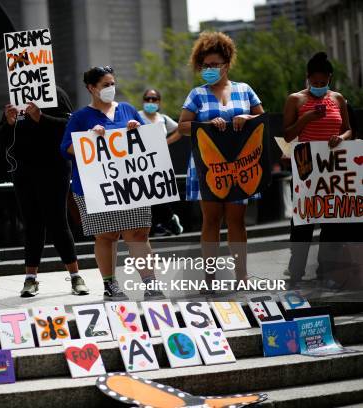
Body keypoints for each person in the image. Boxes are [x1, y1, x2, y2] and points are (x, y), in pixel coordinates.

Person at [61, 66, 162, 301]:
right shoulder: (80, 117)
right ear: (91, 88)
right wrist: (88, 137)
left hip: (130, 185)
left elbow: (149, 141)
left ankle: (151, 284)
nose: (110, 89)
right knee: (107, 236)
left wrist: (137, 130)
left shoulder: (127, 110)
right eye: (105, 85)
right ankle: (110, 286)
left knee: (138, 235)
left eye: (112, 83)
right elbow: (65, 149)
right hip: (97, 188)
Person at [178, 32, 264, 284]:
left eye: (215, 64)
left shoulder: (245, 90)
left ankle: (242, 275)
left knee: (237, 220)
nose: (210, 69)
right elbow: (182, 126)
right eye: (205, 66)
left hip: (241, 164)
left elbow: (262, 119)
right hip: (208, 166)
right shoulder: (197, 94)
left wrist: (246, 118)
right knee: (211, 220)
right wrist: (203, 124)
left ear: (226, 63)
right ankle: (209, 278)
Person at [0, 87, 88, 297]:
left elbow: (68, 127)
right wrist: (8, 124)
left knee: (58, 221)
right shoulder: (15, 97)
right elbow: (1, 138)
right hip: (23, 171)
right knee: (31, 223)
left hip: (54, 168)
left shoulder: (55, 94)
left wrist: (41, 117)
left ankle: (75, 276)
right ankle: (30, 278)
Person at [283, 52, 352, 288]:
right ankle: (296, 273)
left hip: (332, 168)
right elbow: (288, 134)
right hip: (305, 166)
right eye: (315, 83)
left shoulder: (338, 99)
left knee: (332, 223)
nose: (319, 87)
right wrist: (308, 118)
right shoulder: (296, 100)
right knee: (303, 222)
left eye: (324, 83)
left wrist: (340, 137)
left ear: (330, 79)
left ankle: (326, 271)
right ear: (307, 78)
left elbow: (349, 130)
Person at [138, 88, 184, 236]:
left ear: (159, 101)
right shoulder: (137, 116)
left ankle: (165, 220)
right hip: (141, 162)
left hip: (159, 161)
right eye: (147, 99)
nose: (150, 102)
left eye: (154, 99)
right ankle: (163, 221)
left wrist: (167, 142)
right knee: (146, 194)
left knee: (158, 193)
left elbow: (181, 129)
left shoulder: (162, 118)